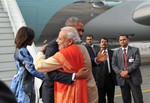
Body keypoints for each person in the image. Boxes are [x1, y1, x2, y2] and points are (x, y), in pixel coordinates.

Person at [34, 26, 98, 103]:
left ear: (70, 41)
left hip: (72, 96)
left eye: (60, 38)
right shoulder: (82, 48)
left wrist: (40, 53)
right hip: (88, 93)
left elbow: (39, 66)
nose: (57, 41)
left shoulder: (65, 54)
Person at [41, 17, 86, 103]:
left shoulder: (78, 46)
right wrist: (74, 76)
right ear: (68, 28)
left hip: (72, 92)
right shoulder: (54, 46)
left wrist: (96, 61)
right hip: (54, 93)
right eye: (78, 30)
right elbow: (49, 73)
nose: (80, 33)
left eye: (82, 31)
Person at [10, 26, 45, 103]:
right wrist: (46, 77)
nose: (33, 40)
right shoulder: (23, 51)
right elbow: (31, 70)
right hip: (24, 84)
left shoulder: (18, 50)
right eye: (31, 38)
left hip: (20, 81)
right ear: (26, 38)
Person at [112, 34, 144, 103]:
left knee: (138, 99)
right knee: (126, 100)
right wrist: (121, 72)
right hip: (122, 79)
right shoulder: (115, 52)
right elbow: (114, 65)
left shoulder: (135, 50)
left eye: (124, 39)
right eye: (120, 40)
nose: (122, 41)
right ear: (119, 41)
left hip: (134, 78)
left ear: (128, 40)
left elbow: (137, 62)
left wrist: (127, 71)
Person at [95, 38, 117, 103]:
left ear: (107, 43)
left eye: (105, 42)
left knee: (111, 98)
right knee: (101, 99)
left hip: (110, 79)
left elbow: (115, 64)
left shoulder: (112, 53)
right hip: (100, 79)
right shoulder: (96, 54)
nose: (104, 43)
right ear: (100, 44)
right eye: (102, 42)